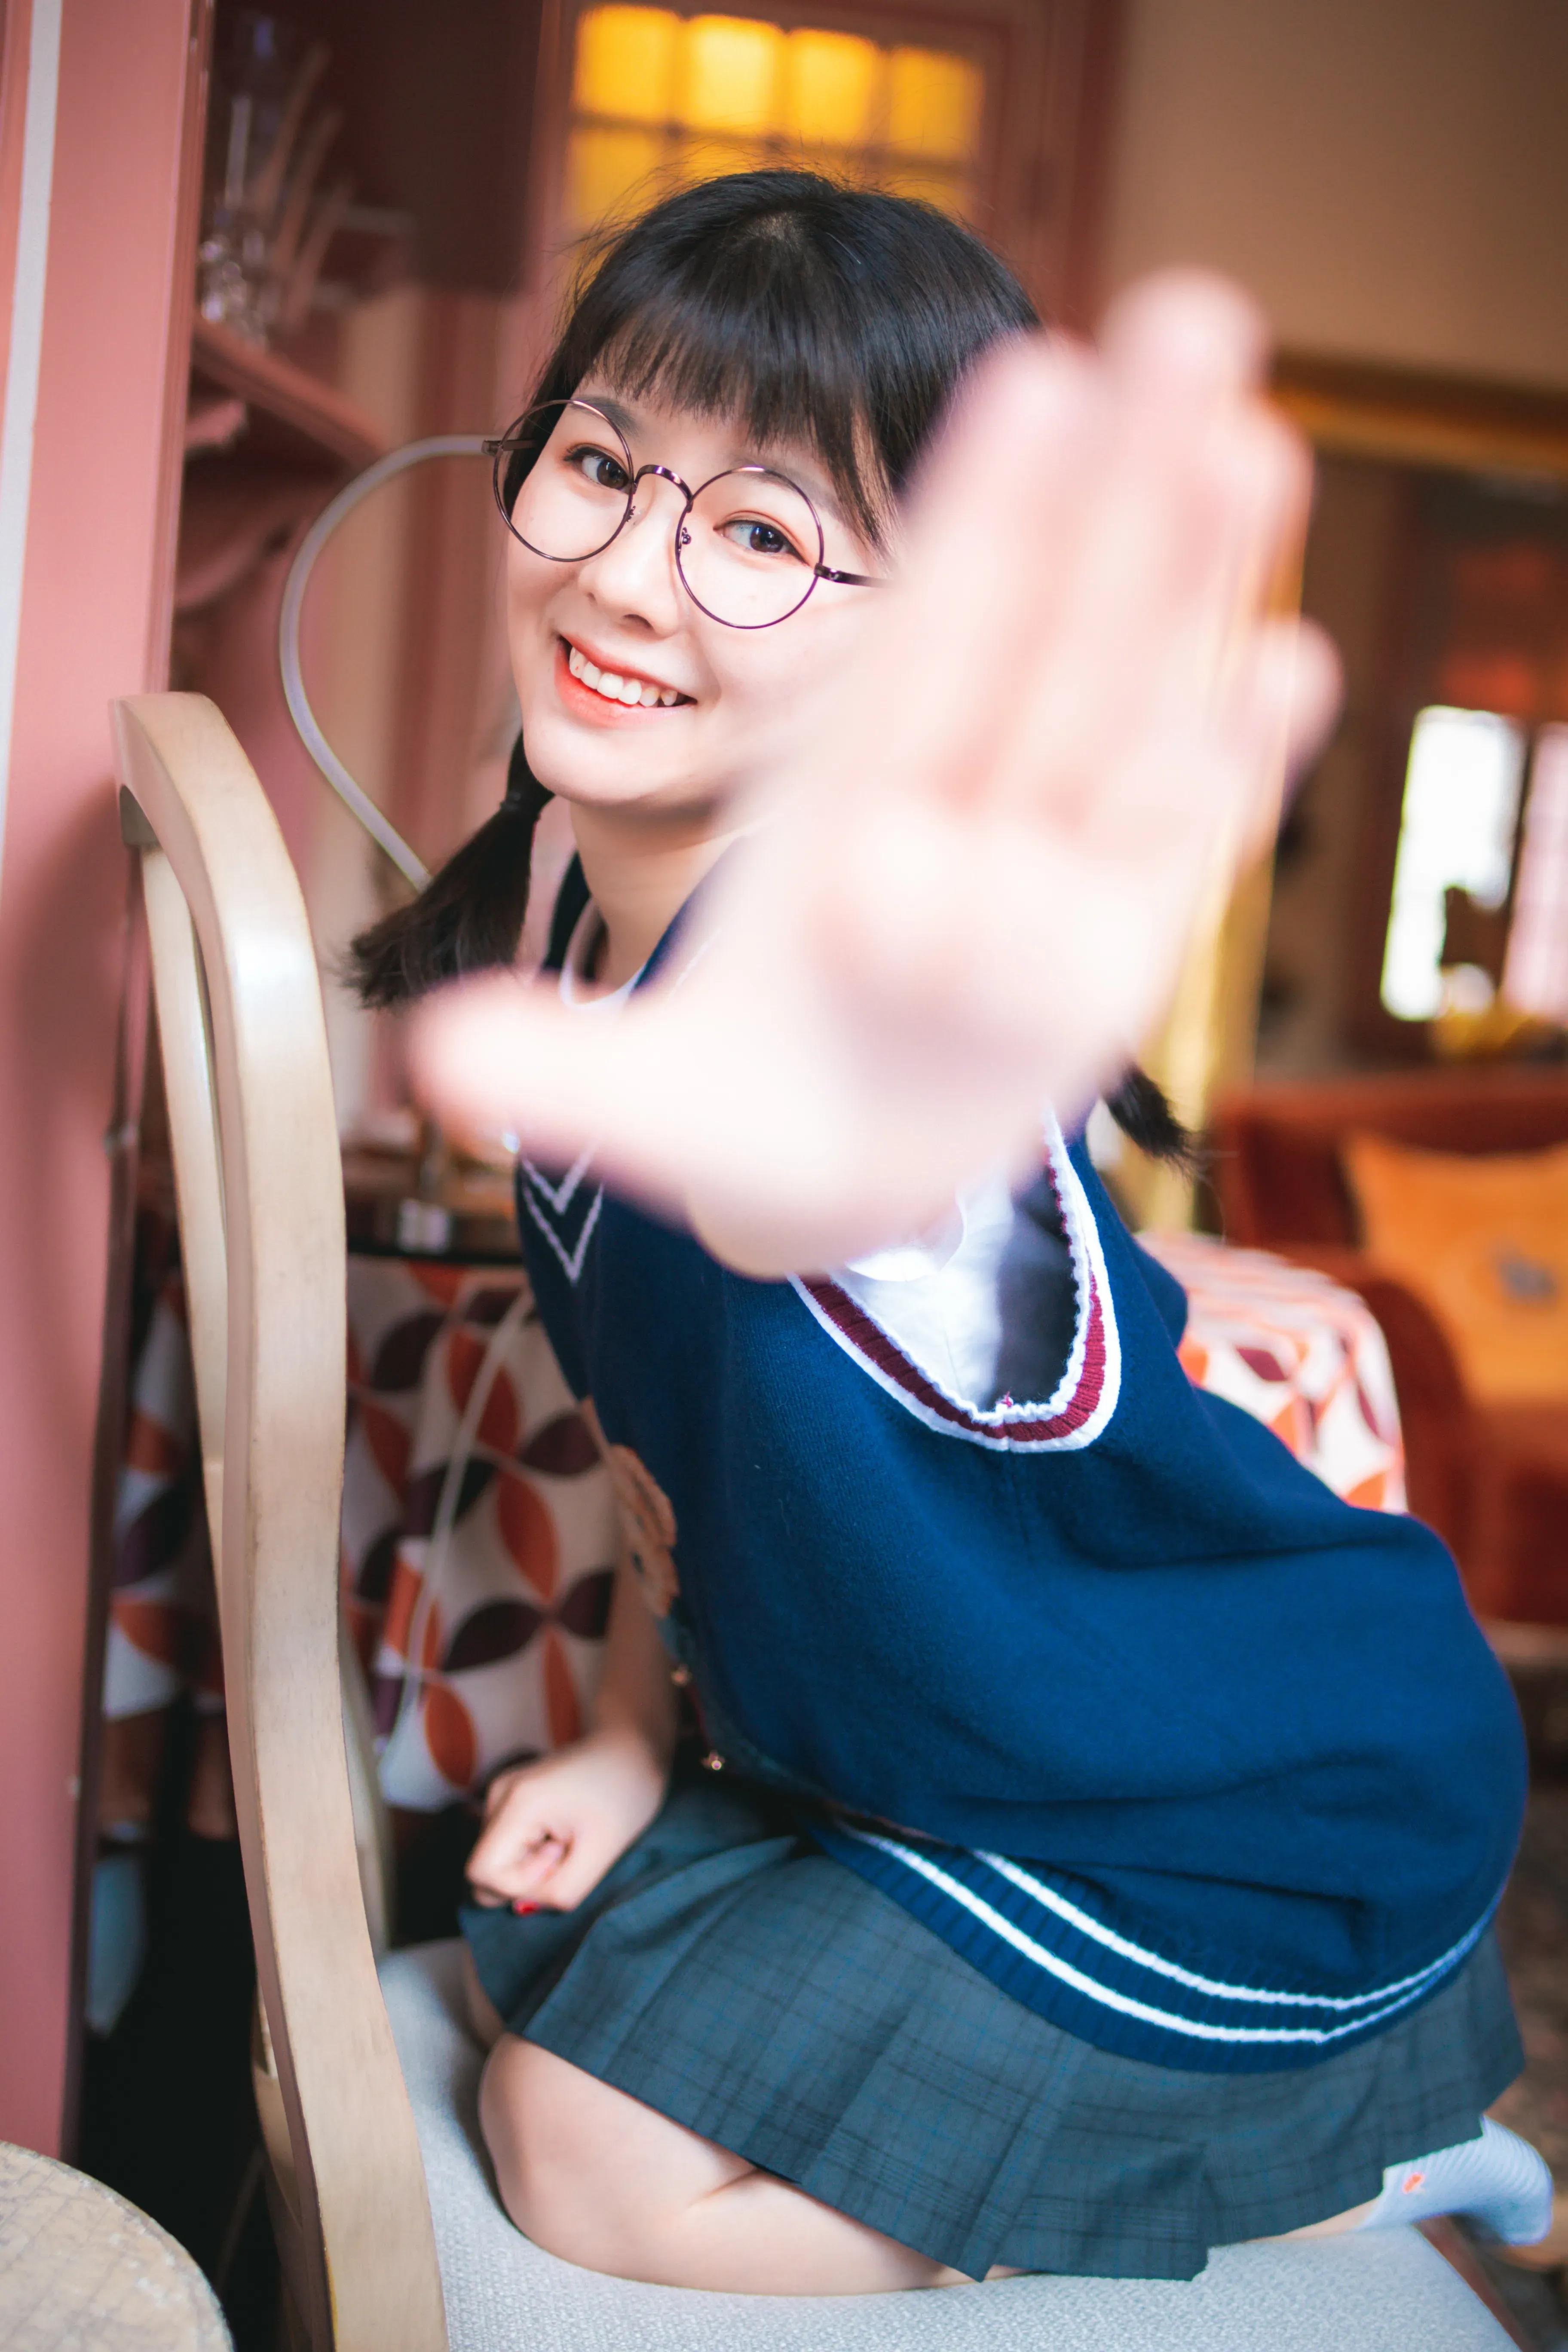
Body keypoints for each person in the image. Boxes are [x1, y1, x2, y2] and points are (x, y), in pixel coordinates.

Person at [365, 172, 1546, 2294]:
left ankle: (1334, 2170)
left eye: (763, 533)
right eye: (603, 466)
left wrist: (879, 1171)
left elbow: (880, 1202)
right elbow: (661, 1440)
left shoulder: (862, 1037)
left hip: (1232, 1813)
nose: (624, 571)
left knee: (581, 2151)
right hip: (936, 1761)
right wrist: (630, 1730)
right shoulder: (567, 906)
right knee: (535, 1944)